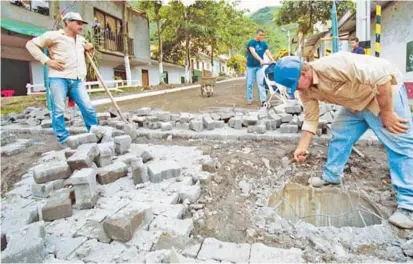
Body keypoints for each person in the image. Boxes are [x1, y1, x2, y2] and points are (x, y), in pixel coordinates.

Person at [273, 52, 413, 229]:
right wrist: (302, 147)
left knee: (400, 144)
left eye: (296, 84)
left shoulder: (335, 65)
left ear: (305, 72)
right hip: (355, 102)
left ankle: (409, 207)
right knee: (340, 133)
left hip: (382, 94)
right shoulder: (305, 91)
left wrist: (386, 112)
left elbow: (383, 76)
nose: (297, 90)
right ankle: (332, 177)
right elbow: (310, 119)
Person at [26, 12, 98, 147]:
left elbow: (87, 57)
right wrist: (47, 61)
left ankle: (95, 134)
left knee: (88, 108)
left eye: (82, 23)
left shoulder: (81, 40)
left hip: (77, 80)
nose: (81, 26)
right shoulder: (54, 36)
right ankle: (63, 139)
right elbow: (30, 45)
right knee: (58, 110)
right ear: (67, 22)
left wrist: (90, 49)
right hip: (59, 79)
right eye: (78, 23)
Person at [246, 29, 274, 106]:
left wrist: (272, 60)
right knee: (249, 84)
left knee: (261, 83)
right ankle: (249, 99)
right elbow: (253, 52)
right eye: (260, 35)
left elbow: (268, 53)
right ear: (256, 34)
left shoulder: (264, 44)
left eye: (262, 35)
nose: (261, 36)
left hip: (259, 67)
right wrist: (261, 60)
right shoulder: (251, 42)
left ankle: (263, 100)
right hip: (250, 66)